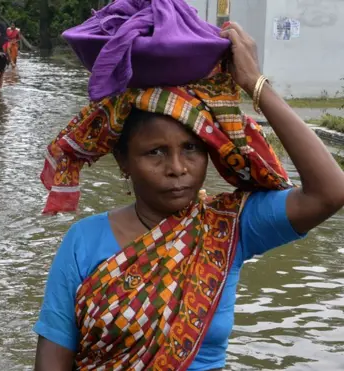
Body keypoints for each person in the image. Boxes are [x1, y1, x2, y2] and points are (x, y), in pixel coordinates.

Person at [33, 20, 344, 371]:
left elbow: (329, 193)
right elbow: (52, 363)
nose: (177, 167)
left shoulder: (229, 227)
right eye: (155, 152)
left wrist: (255, 84)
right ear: (123, 160)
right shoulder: (82, 241)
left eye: (192, 149)